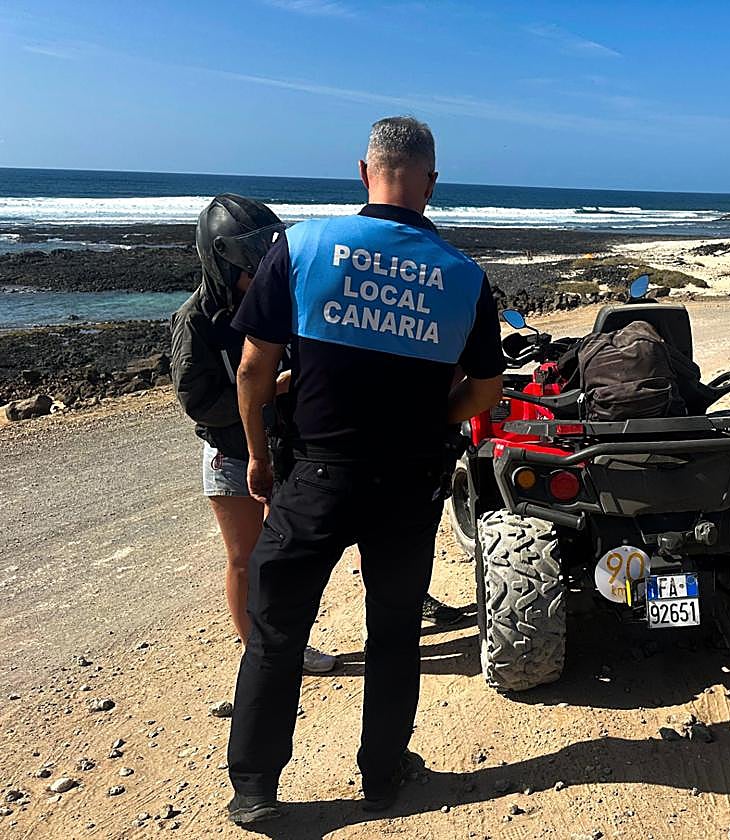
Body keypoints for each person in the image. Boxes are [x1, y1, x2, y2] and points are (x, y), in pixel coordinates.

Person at [225, 116, 504, 825]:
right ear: (431, 182)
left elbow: (253, 370)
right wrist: (434, 417)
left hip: (314, 476)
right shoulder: (464, 277)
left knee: (277, 632)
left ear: (362, 170)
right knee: (394, 633)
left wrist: (257, 455)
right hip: (408, 482)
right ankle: (382, 774)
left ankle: (255, 788)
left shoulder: (303, 245)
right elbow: (484, 392)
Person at [169, 194, 337, 676]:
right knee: (244, 558)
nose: (262, 274)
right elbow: (197, 401)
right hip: (232, 456)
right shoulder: (195, 320)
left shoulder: (276, 304)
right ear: (223, 262)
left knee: (280, 556)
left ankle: (283, 640)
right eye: (252, 267)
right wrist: (267, 389)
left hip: (282, 449)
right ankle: (260, 651)